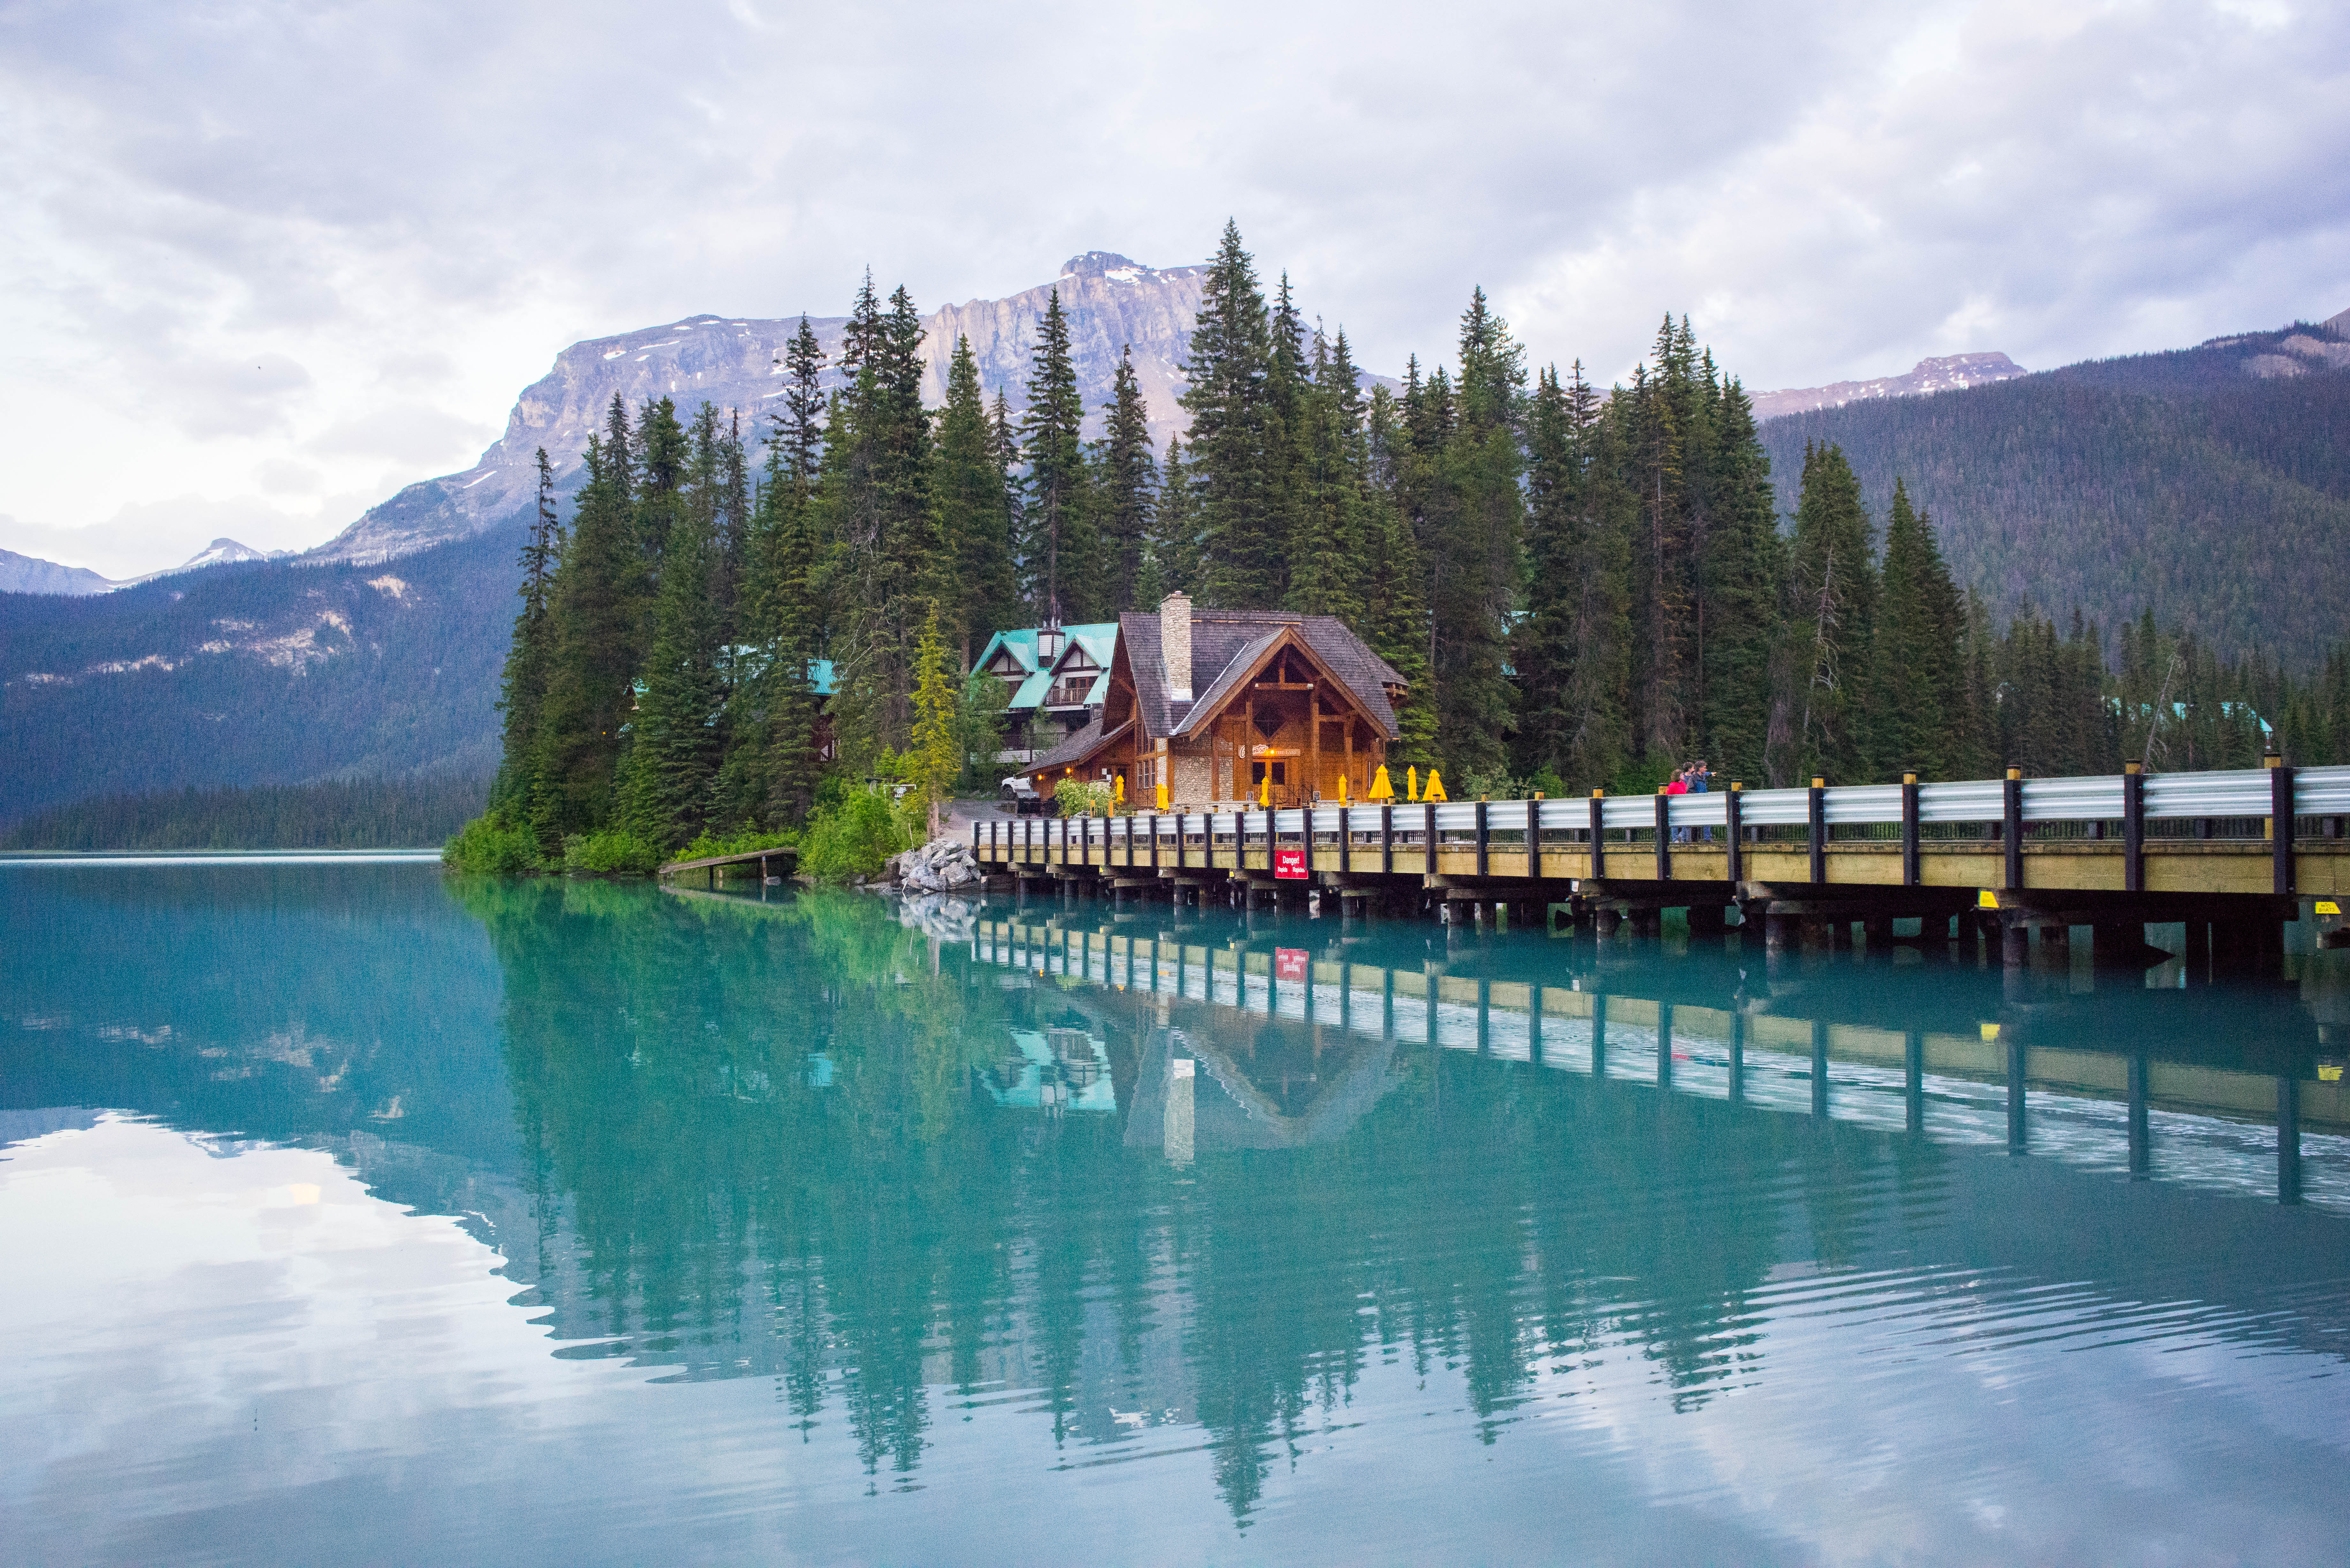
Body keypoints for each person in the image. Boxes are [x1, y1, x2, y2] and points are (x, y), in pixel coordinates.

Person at [1666, 766, 1690, 843]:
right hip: (1675, 807)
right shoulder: (1673, 785)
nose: (1683, 776)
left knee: (1685, 823)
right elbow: (1668, 796)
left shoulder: (1683, 784)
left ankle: (1683, 838)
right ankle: (1675, 840)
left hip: (1683, 807)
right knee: (1675, 824)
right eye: (1682, 775)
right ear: (1678, 776)